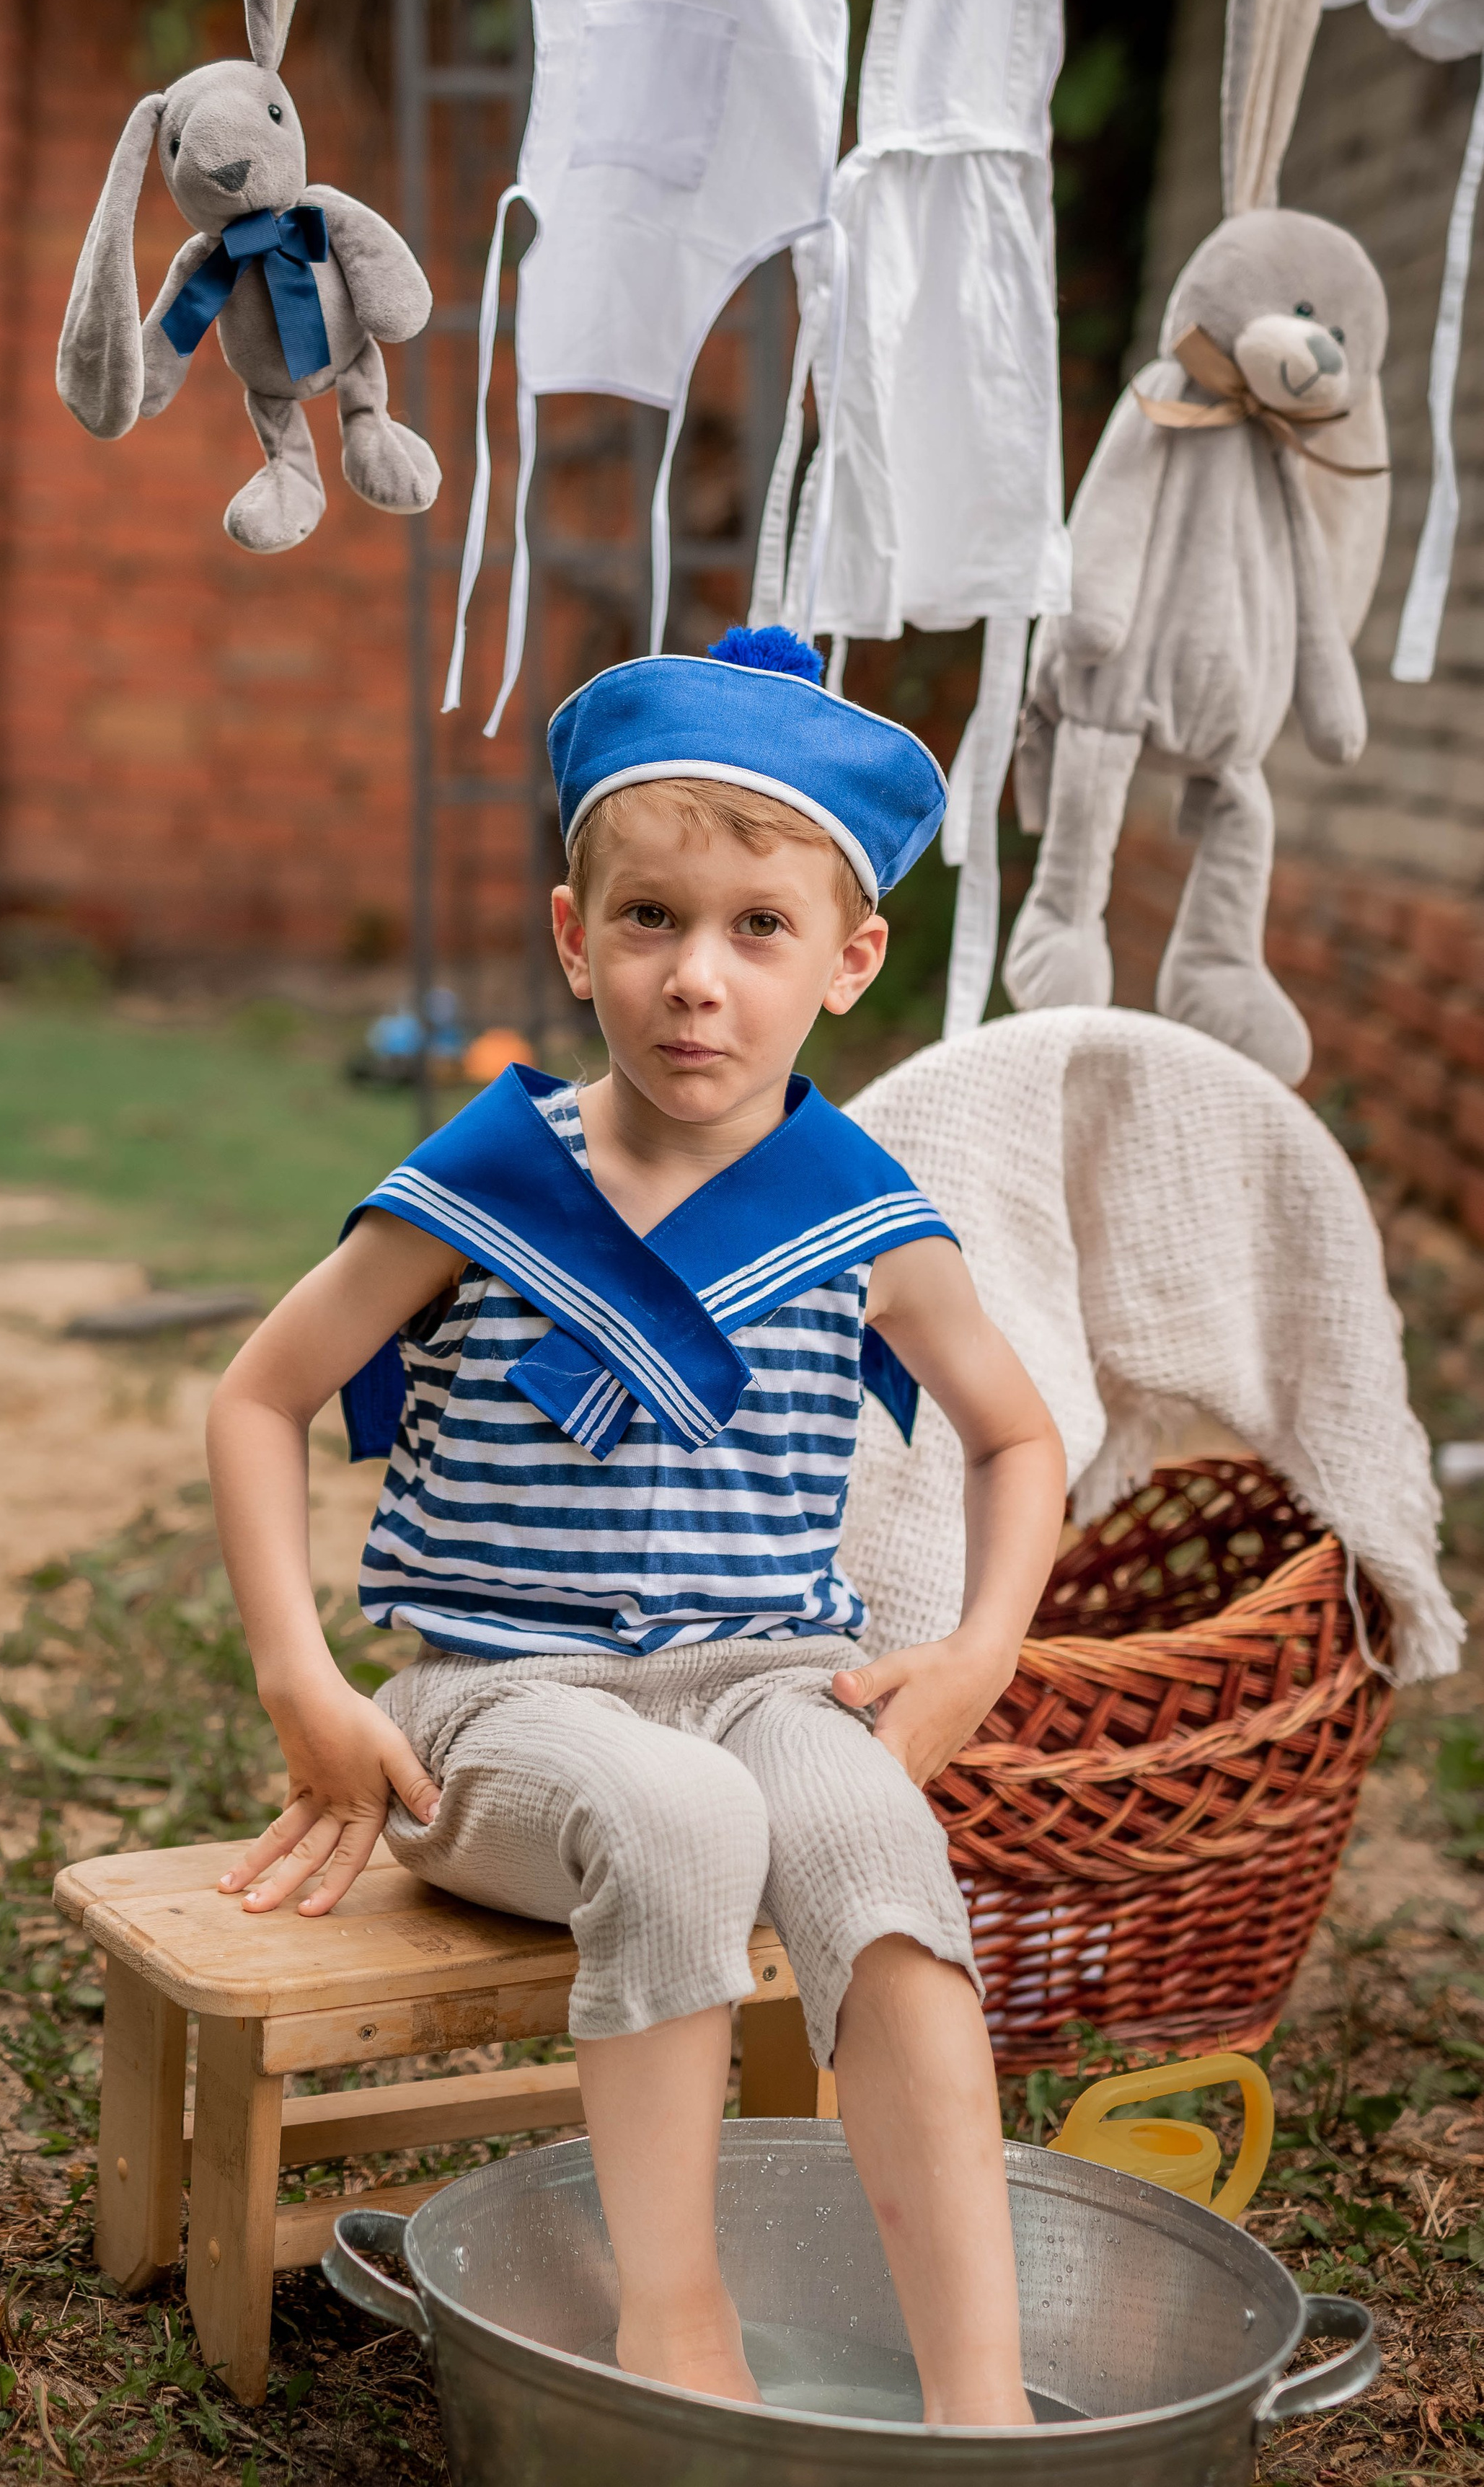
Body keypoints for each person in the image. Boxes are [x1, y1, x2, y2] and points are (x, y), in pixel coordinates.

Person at [206, 628, 1065, 2426]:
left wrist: (980, 1647)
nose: (696, 980)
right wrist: (301, 1675)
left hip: (770, 1677)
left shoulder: (861, 1218)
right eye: (650, 920)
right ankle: (673, 2346)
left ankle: (983, 2413)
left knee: (876, 1855)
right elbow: (258, 1394)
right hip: (499, 1712)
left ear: (847, 963)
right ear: (568, 936)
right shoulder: (485, 1182)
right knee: (679, 1818)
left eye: (756, 930)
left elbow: (1013, 1438)